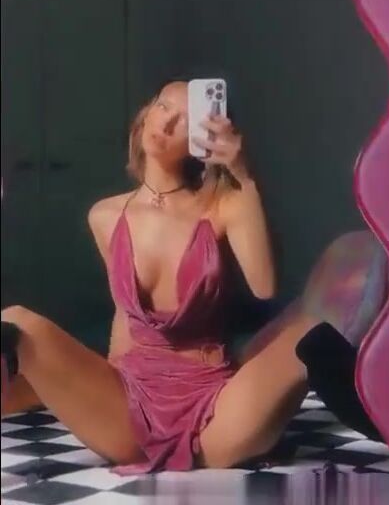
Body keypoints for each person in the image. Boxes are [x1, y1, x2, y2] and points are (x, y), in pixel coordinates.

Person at [0, 80, 330, 473]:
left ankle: (385, 423)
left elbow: (264, 286)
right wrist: (100, 386)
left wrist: (245, 178)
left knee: (311, 329)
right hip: (130, 406)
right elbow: (125, 315)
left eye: (186, 119)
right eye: (163, 106)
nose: (168, 122)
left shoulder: (227, 206)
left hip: (214, 409)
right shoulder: (105, 216)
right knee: (15, 321)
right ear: (144, 117)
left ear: (204, 137)